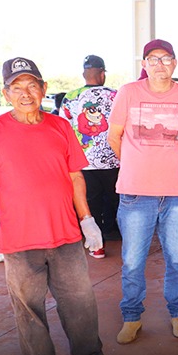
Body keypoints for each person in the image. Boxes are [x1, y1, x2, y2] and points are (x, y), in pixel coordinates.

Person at [0, 57, 116, 355]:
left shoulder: (60, 126)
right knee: (28, 306)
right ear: (6, 92)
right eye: (17, 87)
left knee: (80, 298)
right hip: (19, 237)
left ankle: (88, 353)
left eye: (32, 86)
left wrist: (87, 219)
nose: (25, 93)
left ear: (43, 89)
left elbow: (75, 176)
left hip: (65, 232)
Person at [108, 39, 178, 343]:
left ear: (175, 63)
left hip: (175, 193)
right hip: (135, 193)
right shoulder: (129, 92)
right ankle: (131, 318)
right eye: (153, 59)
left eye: (166, 58)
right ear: (144, 64)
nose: (160, 64)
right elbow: (114, 136)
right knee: (133, 260)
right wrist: (134, 164)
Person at [60, 54, 120, 256]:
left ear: (84, 74)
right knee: (114, 198)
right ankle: (112, 232)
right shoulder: (115, 95)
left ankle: (96, 241)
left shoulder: (70, 97)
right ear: (102, 74)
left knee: (90, 200)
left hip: (83, 161)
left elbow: (64, 129)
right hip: (113, 158)